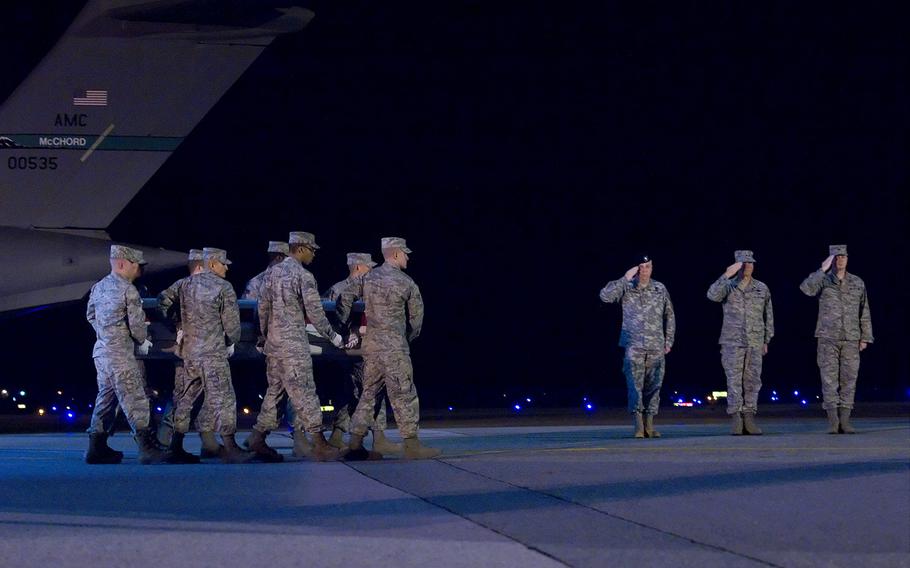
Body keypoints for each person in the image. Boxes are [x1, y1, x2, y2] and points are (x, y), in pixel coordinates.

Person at [245, 231, 345, 462]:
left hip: (274, 344)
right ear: (300, 249)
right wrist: (333, 336)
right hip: (293, 345)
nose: (314, 254)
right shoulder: (304, 276)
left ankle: (257, 437)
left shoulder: (270, 275)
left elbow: (261, 310)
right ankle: (319, 443)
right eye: (312, 250)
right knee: (306, 391)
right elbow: (316, 313)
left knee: (275, 393)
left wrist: (263, 337)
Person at [340, 237, 440, 460]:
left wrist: (345, 326)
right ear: (395, 254)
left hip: (372, 348)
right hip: (395, 347)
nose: (408, 257)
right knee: (403, 393)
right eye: (405, 253)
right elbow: (416, 318)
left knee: (368, 395)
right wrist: (405, 338)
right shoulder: (406, 282)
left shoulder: (367, 278)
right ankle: (412, 445)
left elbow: (344, 297)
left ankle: (354, 443)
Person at [85, 245, 168, 464]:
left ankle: (96, 447)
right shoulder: (127, 289)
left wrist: (105, 334)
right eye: (136, 266)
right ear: (123, 263)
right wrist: (142, 340)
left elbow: (90, 316)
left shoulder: (98, 287)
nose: (139, 271)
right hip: (121, 353)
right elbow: (137, 325)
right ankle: (147, 447)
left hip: (102, 353)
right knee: (135, 398)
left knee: (106, 398)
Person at [176, 247, 252, 462]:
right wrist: (231, 341)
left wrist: (179, 324)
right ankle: (230, 447)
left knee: (185, 399)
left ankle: (175, 446)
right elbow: (232, 326)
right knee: (225, 398)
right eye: (223, 263)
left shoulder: (184, 284)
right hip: (213, 353)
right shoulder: (223, 287)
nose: (227, 267)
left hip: (190, 353)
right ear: (211, 264)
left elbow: (163, 301)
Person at [324, 253, 401, 454]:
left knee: (347, 390)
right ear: (358, 267)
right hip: (363, 349)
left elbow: (325, 317)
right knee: (374, 391)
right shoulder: (368, 287)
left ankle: (338, 435)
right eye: (368, 266)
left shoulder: (335, 289)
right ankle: (378, 438)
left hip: (341, 350)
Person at [599, 255, 676, 438]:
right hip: (633, 345)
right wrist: (625, 278)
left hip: (656, 345)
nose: (644, 271)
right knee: (635, 386)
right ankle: (638, 425)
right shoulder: (627, 287)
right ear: (635, 269)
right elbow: (605, 296)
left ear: (652, 268)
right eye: (640, 267)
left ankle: (650, 424)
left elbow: (670, 315)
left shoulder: (660, 288)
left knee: (654, 386)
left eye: (647, 267)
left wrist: (669, 341)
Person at [800, 244, 873, 434]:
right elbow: (806, 289)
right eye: (836, 257)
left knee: (849, 379)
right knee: (829, 380)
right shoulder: (823, 280)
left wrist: (865, 337)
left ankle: (845, 421)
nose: (840, 260)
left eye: (843, 257)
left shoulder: (857, 282)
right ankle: (833, 421)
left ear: (847, 259)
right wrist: (822, 269)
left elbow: (864, 311)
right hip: (827, 338)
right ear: (831, 260)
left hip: (851, 338)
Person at [707, 250, 774, 435]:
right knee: (734, 381)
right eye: (743, 263)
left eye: (751, 263)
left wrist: (766, 340)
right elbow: (712, 295)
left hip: (755, 341)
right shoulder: (728, 286)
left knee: (753, 381)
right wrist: (727, 274)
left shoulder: (762, 288)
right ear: (737, 265)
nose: (748, 266)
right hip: (732, 341)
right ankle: (736, 418)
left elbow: (768, 316)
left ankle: (750, 418)